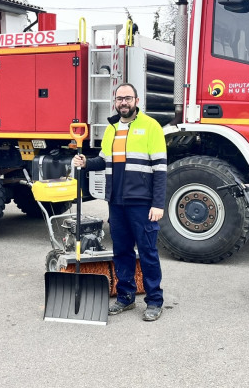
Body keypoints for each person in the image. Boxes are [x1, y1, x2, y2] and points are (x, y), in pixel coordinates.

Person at [72, 83, 167, 321]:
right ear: (115, 102)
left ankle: (154, 301)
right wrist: (85, 162)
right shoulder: (111, 128)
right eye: (119, 98)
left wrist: (158, 204)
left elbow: (160, 169)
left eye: (128, 98)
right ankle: (126, 297)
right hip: (116, 201)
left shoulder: (150, 126)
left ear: (137, 100)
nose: (123, 102)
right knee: (122, 251)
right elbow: (104, 160)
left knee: (147, 252)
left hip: (142, 202)